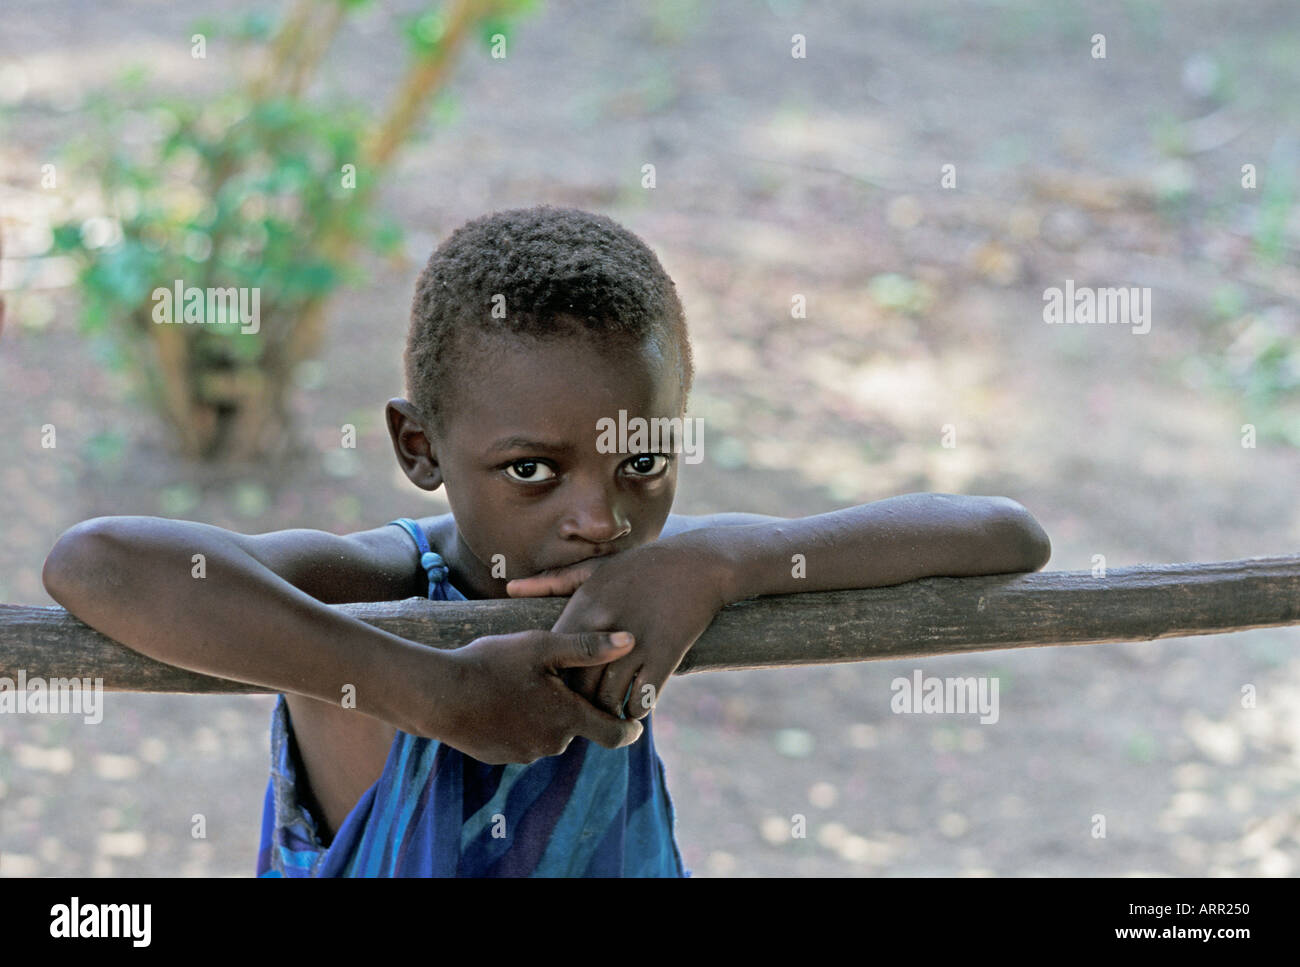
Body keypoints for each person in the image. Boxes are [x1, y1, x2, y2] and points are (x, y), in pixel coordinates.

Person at [42, 204, 1052, 877]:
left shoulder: (655, 573)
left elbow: (1002, 534)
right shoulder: (385, 582)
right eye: (532, 469)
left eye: (642, 463)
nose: (598, 517)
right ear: (420, 446)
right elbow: (97, 563)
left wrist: (719, 560)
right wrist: (425, 688)